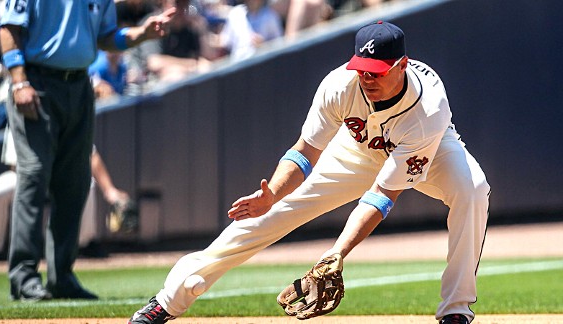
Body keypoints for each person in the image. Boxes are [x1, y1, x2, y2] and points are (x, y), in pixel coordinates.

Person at [128, 21, 490, 324]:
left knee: (472, 189)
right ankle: (168, 300)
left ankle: (455, 310)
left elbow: (382, 196)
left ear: (402, 65)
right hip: (356, 150)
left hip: (429, 149)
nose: (367, 77)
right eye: (362, 68)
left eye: (377, 71)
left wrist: (337, 252)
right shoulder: (340, 85)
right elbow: (304, 153)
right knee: (267, 212)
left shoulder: (428, 109)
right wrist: (272, 194)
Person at [0, 0, 175, 301]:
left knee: (74, 182)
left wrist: (141, 35)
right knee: (35, 175)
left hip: (79, 85)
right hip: (36, 81)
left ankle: (61, 277)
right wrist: (18, 81)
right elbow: (8, 28)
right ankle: (23, 276)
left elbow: (106, 37)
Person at [0, 130, 135, 259]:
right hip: (24, 176)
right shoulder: (20, 117)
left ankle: (84, 243)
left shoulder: (62, 115)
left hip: (57, 175)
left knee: (86, 182)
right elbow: (14, 165)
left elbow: (90, 153)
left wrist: (110, 190)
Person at [218, 0, 283, 60]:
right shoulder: (235, 14)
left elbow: (280, 45)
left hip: (262, 64)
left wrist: (264, 46)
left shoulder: (270, 16)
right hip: (238, 66)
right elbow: (225, 43)